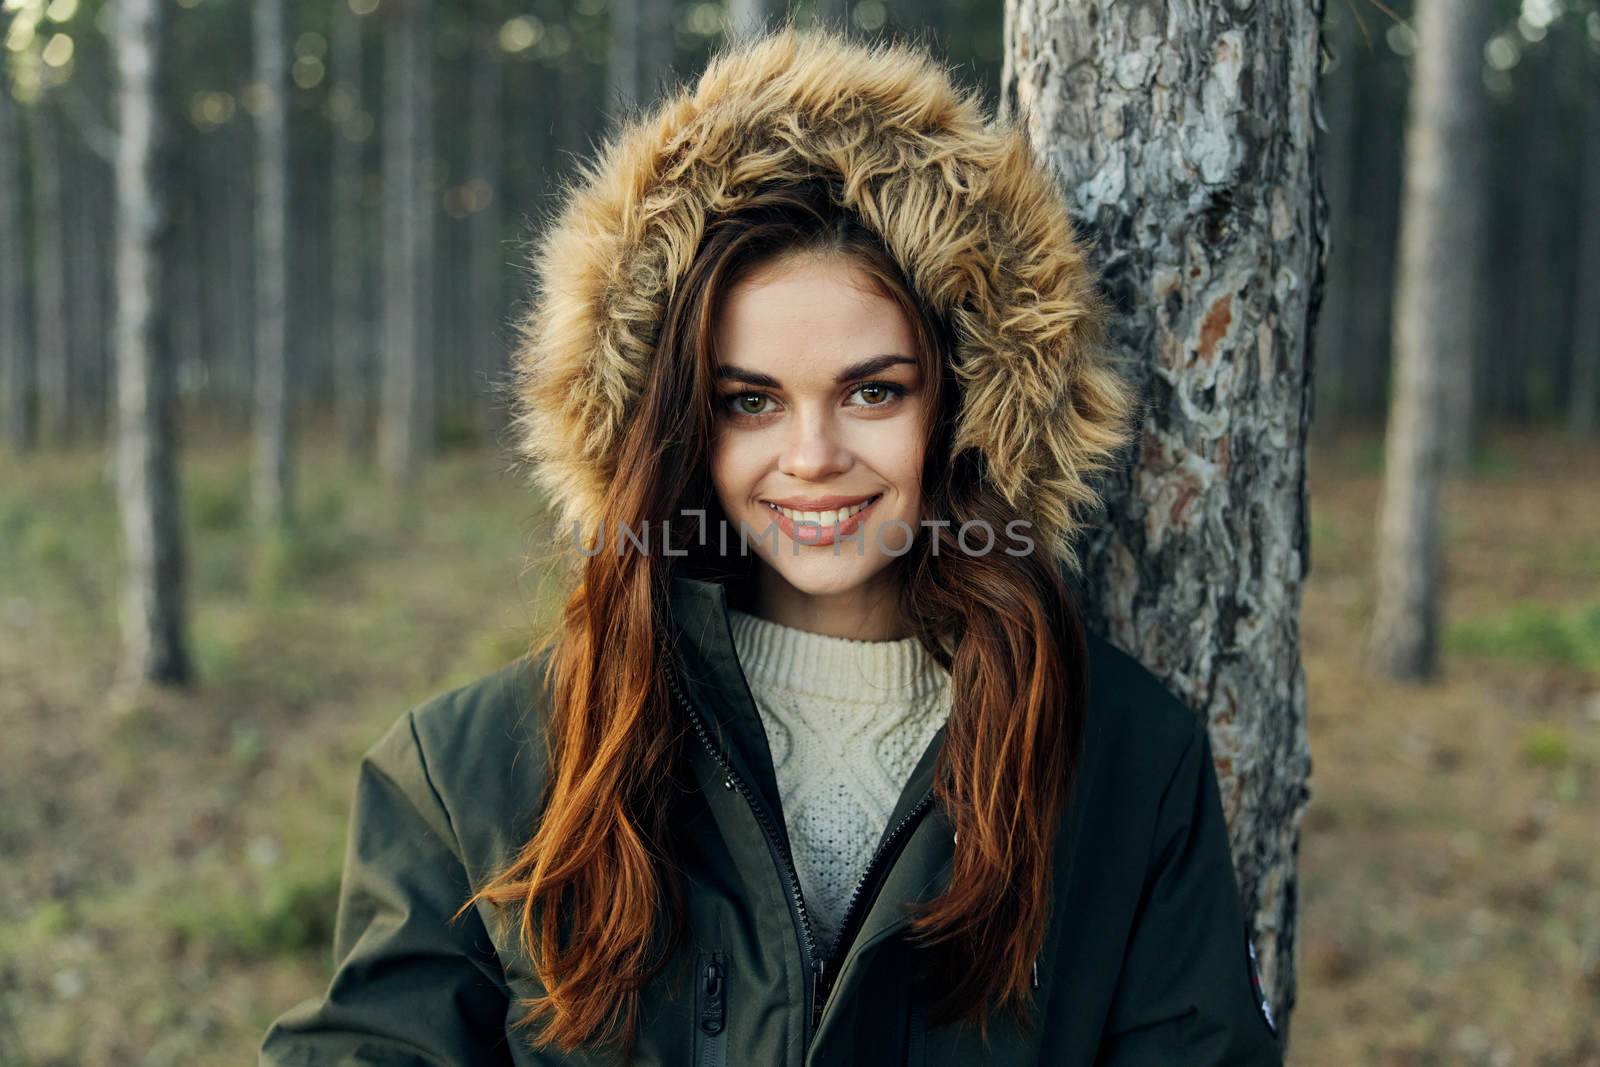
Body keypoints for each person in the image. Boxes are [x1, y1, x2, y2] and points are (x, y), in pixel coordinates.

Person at [260, 24, 1285, 1067]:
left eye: (872, 390)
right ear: (675, 428)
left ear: (969, 403)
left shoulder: (1122, 762)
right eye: (749, 401)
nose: (812, 455)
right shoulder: (472, 773)